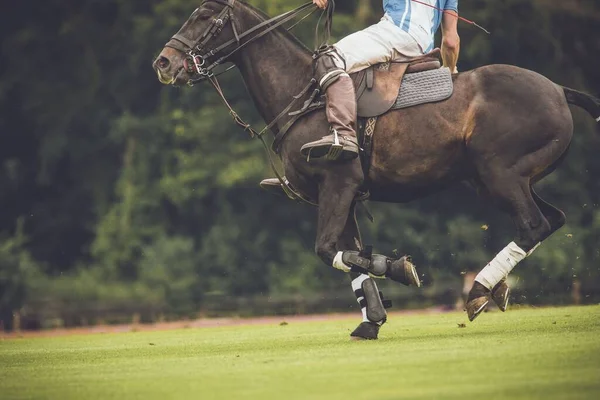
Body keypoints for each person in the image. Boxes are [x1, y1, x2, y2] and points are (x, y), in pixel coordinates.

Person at [300, 0, 461, 161]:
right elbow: (451, 41)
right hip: (425, 49)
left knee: (329, 59)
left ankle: (344, 134)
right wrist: (449, 73)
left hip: (397, 32)